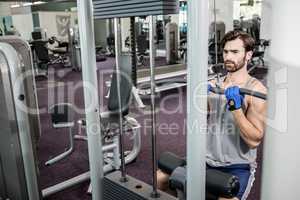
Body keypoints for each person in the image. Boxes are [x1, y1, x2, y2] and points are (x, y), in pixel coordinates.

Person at [157, 30, 267, 200]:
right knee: (160, 179)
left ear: (248, 55)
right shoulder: (214, 84)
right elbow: (202, 116)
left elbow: (254, 141)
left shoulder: (256, 90)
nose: (228, 56)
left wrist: (236, 108)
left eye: (235, 52)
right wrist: (200, 97)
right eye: (225, 51)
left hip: (237, 165)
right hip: (205, 159)